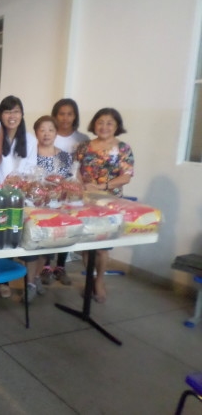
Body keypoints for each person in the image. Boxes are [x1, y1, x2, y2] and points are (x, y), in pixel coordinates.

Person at [75, 107, 135, 303]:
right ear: (94, 124)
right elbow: (76, 170)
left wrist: (101, 186)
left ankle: (100, 280)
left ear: (117, 126)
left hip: (110, 203)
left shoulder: (123, 148)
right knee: (86, 245)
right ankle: (90, 279)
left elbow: (126, 177)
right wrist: (83, 186)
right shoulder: (84, 146)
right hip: (85, 201)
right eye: (100, 122)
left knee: (102, 247)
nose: (104, 126)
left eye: (109, 123)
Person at [40, 99, 89, 285]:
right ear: (55, 115)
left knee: (66, 226)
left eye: (70, 114)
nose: (65, 118)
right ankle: (45, 266)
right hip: (47, 190)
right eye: (61, 114)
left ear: (75, 116)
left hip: (69, 190)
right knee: (48, 227)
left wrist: (79, 187)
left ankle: (60, 266)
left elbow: (81, 167)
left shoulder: (82, 139)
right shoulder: (48, 135)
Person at [25, 116, 75, 299]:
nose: (46, 134)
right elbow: (24, 179)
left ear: (56, 133)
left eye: (51, 130)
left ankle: (37, 277)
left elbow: (69, 181)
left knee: (46, 247)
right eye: (42, 130)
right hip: (33, 208)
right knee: (33, 246)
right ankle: (30, 282)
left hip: (55, 209)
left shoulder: (64, 156)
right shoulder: (31, 153)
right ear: (36, 132)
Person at [0, 96, 37, 298]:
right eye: (7, 111)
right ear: (1, 115)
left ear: (22, 114)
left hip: (22, 198)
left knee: (20, 240)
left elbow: (31, 170)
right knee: (1, 240)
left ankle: (29, 283)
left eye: (16, 111)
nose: (12, 116)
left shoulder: (30, 140)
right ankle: (2, 281)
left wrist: (17, 183)